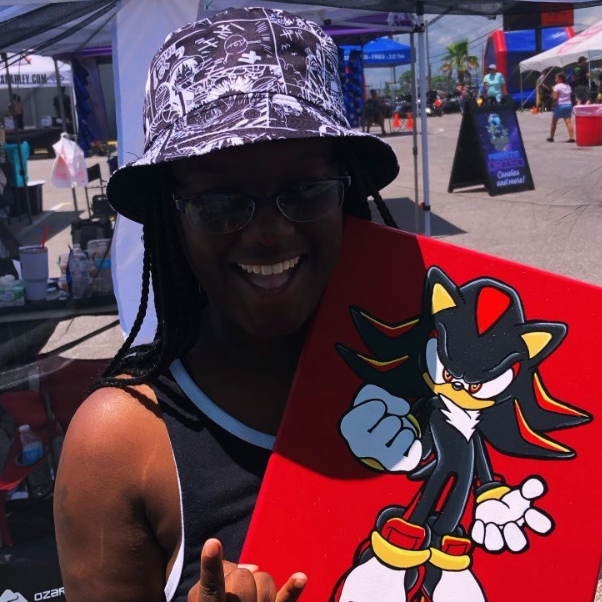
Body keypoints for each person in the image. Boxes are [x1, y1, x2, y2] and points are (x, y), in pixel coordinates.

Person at [53, 8, 399, 602]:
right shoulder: (121, 443)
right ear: (171, 219)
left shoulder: (439, 379)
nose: (269, 232)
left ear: (347, 195)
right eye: (219, 201)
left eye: (304, 191)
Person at [547, 72, 575, 143]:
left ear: (560, 79)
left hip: (560, 105)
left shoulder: (557, 86)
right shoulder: (568, 86)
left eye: (556, 78)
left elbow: (555, 97)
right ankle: (571, 138)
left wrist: (553, 103)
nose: (555, 79)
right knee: (568, 122)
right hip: (568, 104)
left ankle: (551, 137)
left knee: (554, 122)